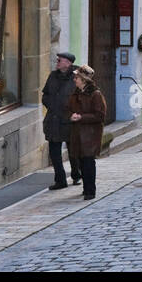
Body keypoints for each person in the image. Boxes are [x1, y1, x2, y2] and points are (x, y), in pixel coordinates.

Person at [41, 51, 80, 189]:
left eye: (60, 60)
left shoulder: (77, 76)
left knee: (73, 151)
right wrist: (52, 106)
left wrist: (71, 112)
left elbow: (81, 98)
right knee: (54, 152)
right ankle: (60, 180)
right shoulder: (53, 76)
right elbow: (45, 95)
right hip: (53, 120)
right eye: (57, 60)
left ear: (68, 63)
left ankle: (76, 175)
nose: (57, 62)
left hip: (70, 120)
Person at [67, 65, 106, 200]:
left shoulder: (95, 95)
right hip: (78, 133)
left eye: (77, 77)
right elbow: (68, 109)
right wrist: (70, 116)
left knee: (88, 162)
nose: (74, 80)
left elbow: (100, 115)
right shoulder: (75, 93)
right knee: (81, 162)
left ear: (84, 80)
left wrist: (81, 117)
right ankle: (85, 188)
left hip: (90, 134)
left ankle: (90, 190)